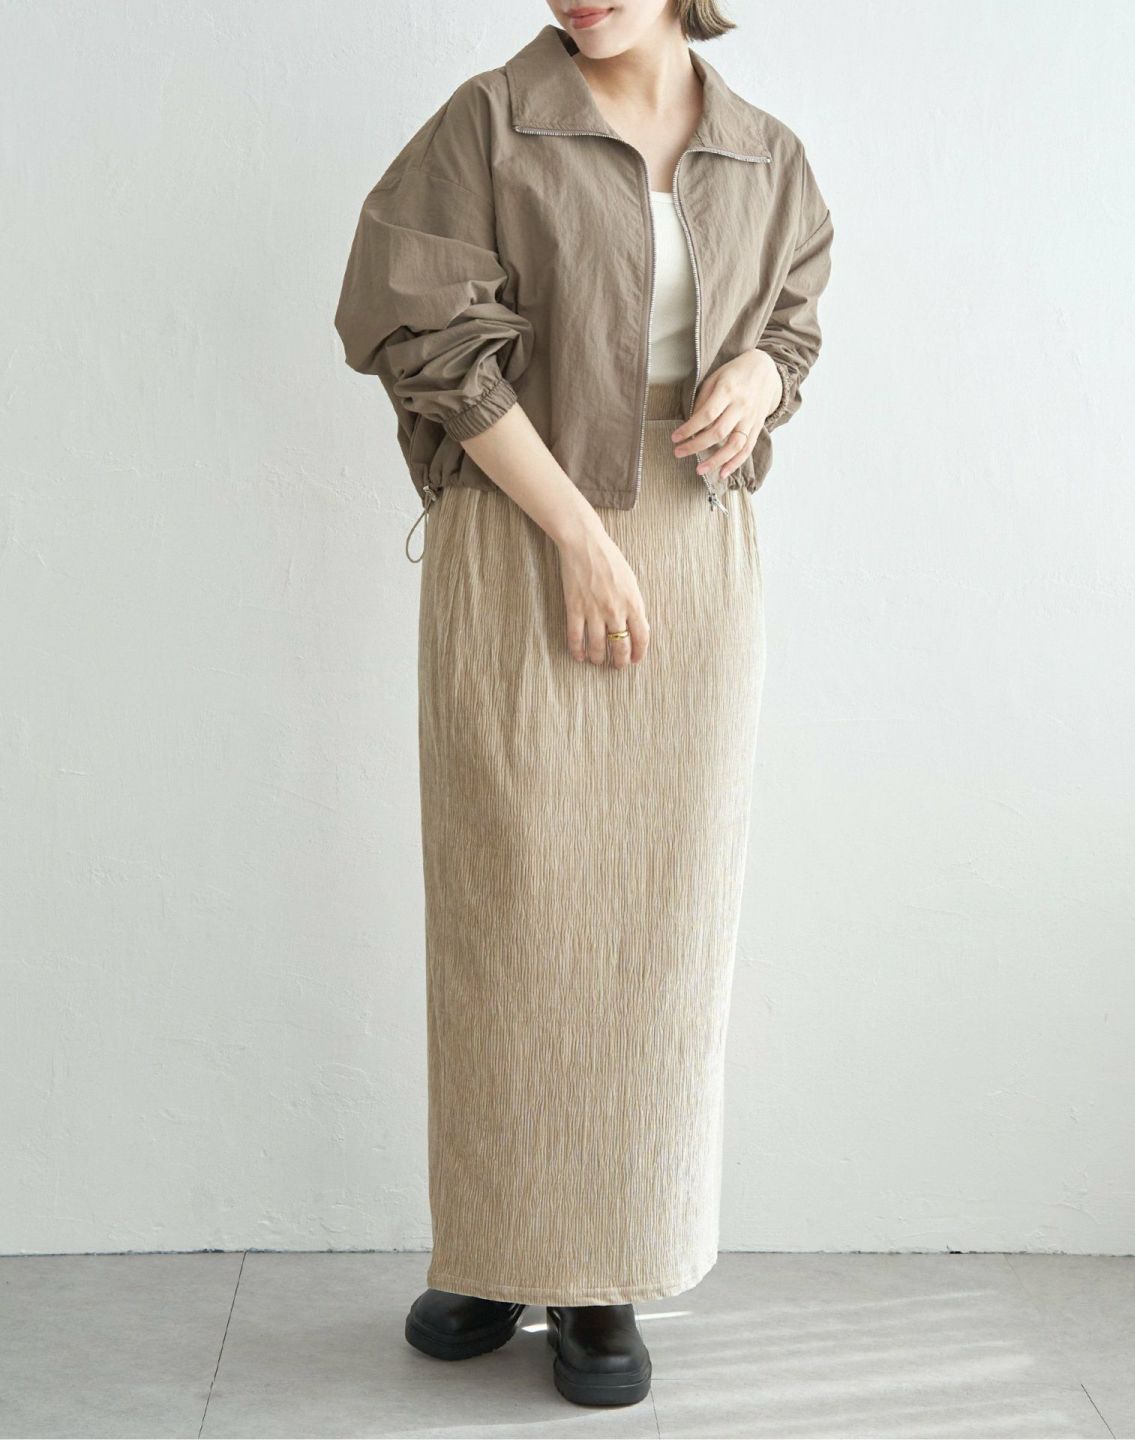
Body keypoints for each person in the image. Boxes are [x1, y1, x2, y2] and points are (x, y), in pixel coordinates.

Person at [333, 0, 833, 1409]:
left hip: (695, 555)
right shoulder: (490, 123)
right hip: (524, 533)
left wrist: (760, 371)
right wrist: (576, 536)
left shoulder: (768, 155)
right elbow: (418, 331)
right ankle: (500, 1248)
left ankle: (605, 1268)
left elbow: (794, 326)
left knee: (657, 920)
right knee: (510, 903)